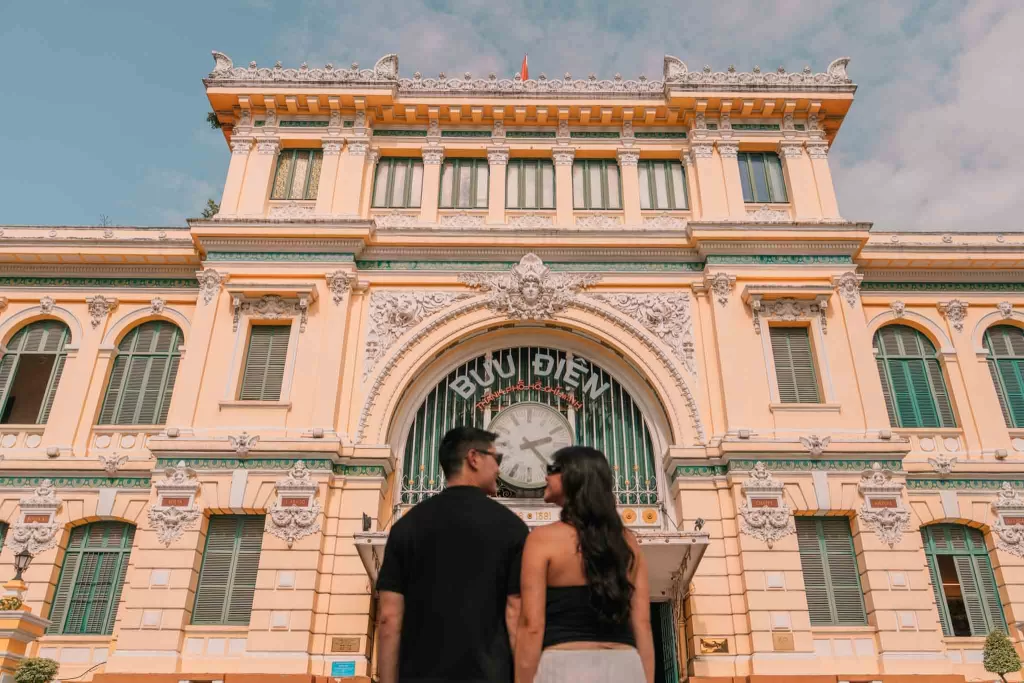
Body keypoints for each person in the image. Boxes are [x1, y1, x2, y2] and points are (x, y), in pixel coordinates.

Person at [376, 426, 530, 683]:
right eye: (497, 458)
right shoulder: (512, 528)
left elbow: (389, 618)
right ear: (474, 458)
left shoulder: (406, 527)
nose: (499, 469)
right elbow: (516, 614)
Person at [515, 446, 655, 683]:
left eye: (553, 469)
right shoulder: (627, 542)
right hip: (625, 666)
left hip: (563, 666)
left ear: (574, 476)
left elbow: (532, 626)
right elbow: (642, 624)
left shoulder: (541, 540)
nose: (546, 476)